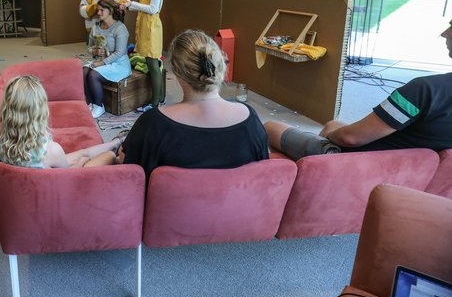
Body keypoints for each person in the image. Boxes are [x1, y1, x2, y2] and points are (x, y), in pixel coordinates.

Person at [264, 20, 452, 160]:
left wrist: (331, 137)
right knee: (333, 124)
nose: (444, 33)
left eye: (451, 27)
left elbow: (351, 139)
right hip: (415, 168)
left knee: (269, 127)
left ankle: (318, 168)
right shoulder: (434, 90)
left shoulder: (423, 90)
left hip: (359, 161)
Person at [121, 30, 269, 178]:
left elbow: (130, 176)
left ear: (177, 72)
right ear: (219, 66)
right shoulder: (251, 122)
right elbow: (261, 178)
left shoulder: (152, 124)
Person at [0, 75, 126, 168]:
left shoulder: (0, 145)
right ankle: (116, 149)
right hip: (62, 185)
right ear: (39, 112)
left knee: (83, 152)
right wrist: (81, 162)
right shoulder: (51, 149)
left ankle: (116, 142)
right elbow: (64, 175)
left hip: (46, 167)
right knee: (108, 155)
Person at [120, 0, 168, 112]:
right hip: (146, 24)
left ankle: (155, 104)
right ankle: (159, 98)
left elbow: (154, 8)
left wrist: (131, 4)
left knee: (153, 64)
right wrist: (129, 4)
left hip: (151, 27)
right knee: (150, 62)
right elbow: (146, 5)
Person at [83, 0, 132, 119]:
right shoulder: (96, 27)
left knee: (93, 75)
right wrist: (94, 51)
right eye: (98, 10)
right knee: (83, 72)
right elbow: (89, 48)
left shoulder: (120, 28)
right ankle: (90, 104)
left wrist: (101, 63)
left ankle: (99, 106)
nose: (98, 13)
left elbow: (120, 52)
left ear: (110, 11)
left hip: (119, 64)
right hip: (101, 61)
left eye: (101, 10)